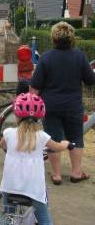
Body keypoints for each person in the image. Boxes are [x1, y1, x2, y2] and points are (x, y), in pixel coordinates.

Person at [30, 22, 95, 184]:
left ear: (54, 38)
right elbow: (89, 80)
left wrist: (32, 105)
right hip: (73, 106)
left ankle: (57, 175)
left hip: (50, 106)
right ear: (72, 38)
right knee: (76, 138)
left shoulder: (46, 57)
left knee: (53, 139)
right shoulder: (79, 56)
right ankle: (76, 173)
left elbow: (35, 86)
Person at [0, 93, 73, 225]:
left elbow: (2, 144)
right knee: (44, 218)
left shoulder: (9, 133)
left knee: (7, 215)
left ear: (16, 115)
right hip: (33, 189)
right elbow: (57, 147)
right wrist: (66, 144)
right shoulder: (42, 136)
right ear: (40, 117)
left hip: (10, 186)